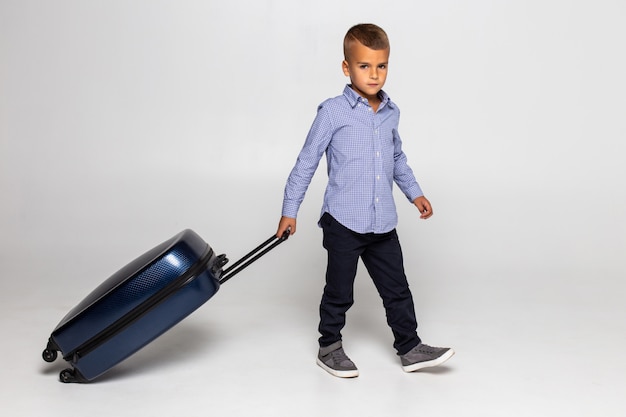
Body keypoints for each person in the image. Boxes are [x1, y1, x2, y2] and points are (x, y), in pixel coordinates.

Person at [276, 23, 454, 378]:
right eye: (364, 66)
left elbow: (397, 158)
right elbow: (306, 162)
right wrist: (289, 211)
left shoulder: (391, 112)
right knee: (340, 290)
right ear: (347, 67)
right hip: (343, 221)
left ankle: (410, 347)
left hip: (382, 222)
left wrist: (414, 193)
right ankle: (329, 346)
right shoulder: (332, 112)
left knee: (397, 289)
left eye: (381, 66)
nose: (374, 75)